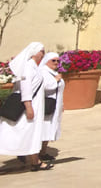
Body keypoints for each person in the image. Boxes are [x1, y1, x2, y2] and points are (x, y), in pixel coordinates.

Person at [0, 42, 52, 170]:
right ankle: (35, 161)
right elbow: (26, 89)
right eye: (41, 51)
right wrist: (29, 107)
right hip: (27, 108)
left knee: (32, 134)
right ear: (34, 52)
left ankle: (35, 162)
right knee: (13, 134)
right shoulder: (28, 67)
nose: (43, 54)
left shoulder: (34, 67)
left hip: (34, 107)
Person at [39, 52, 64, 162]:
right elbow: (44, 86)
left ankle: (42, 152)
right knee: (43, 128)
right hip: (46, 104)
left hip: (54, 104)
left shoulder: (53, 72)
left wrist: (61, 104)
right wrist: (56, 80)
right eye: (53, 60)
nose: (56, 63)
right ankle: (35, 153)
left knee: (48, 128)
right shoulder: (43, 72)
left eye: (58, 61)